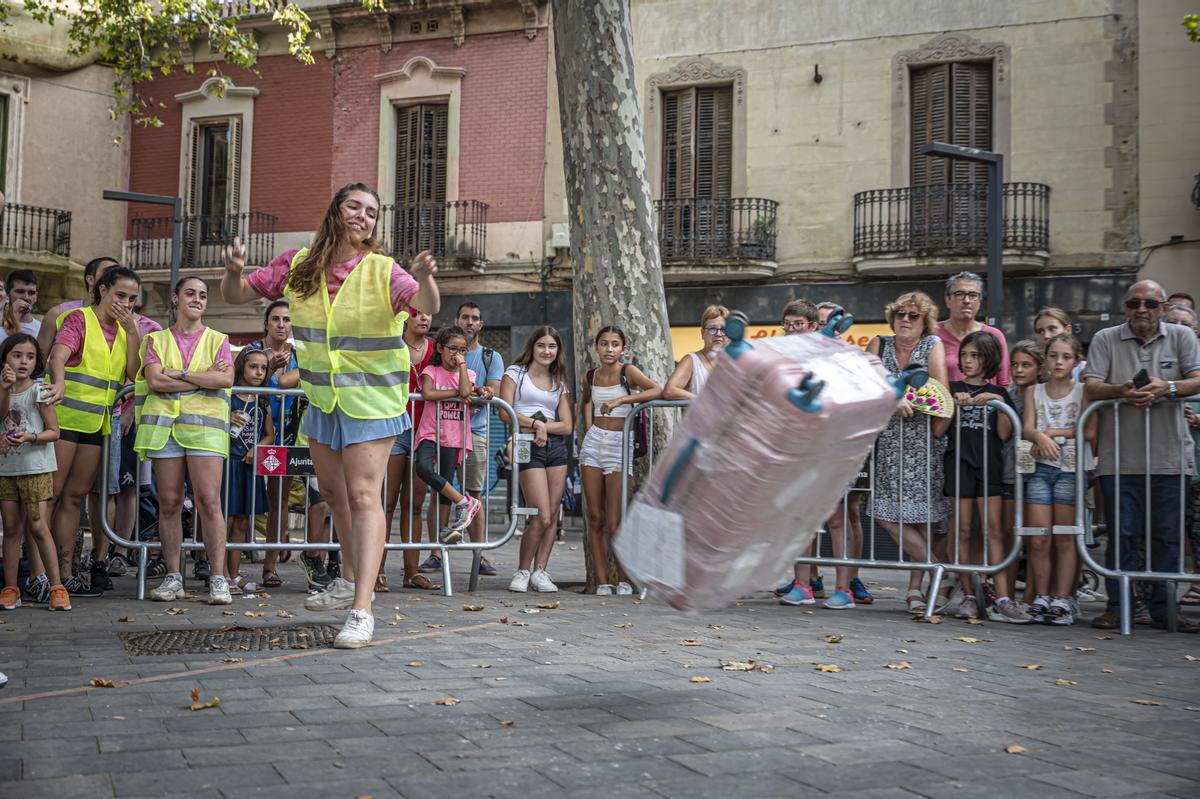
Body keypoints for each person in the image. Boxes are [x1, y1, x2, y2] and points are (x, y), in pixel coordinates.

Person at [222, 182, 439, 649]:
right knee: (333, 494)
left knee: (363, 496)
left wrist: (425, 277)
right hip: (322, 401)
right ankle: (346, 575)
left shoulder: (384, 269)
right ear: (336, 211)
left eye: (373, 212)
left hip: (373, 403)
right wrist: (233, 271)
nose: (364, 216)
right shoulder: (298, 264)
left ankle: (362, 608)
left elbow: (427, 306)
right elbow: (238, 294)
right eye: (355, 207)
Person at [1084, 280, 1200, 633]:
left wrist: (1169, 387)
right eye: (1134, 304)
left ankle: (1165, 607)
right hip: (1120, 457)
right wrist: (1121, 391)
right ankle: (1119, 606)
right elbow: (1091, 384)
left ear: (1162, 307)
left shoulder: (1182, 337)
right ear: (1125, 307)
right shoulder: (1106, 338)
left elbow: (1198, 378)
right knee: (1123, 535)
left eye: (1150, 304)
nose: (1142, 310)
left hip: (1170, 456)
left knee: (1167, 536)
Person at [134, 277, 235, 605]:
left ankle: (218, 578)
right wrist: (201, 378)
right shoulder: (155, 340)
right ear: (175, 299)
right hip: (166, 430)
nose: (197, 299)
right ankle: (174, 576)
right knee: (169, 503)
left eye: (203, 295)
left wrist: (178, 374)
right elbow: (154, 381)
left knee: (209, 501)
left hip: (205, 431)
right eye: (190, 293)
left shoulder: (219, 339)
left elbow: (225, 378)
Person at [45, 266, 143, 596]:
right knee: (51, 496)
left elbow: (133, 373)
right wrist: (58, 382)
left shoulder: (129, 329)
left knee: (74, 498)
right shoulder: (78, 319)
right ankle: (42, 574)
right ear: (102, 290)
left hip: (98, 425)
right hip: (62, 420)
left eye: (131, 299)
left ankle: (67, 572)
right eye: (120, 296)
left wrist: (133, 333)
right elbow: (58, 355)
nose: (125, 304)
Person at [865, 291, 951, 614]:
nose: (905, 319)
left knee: (923, 519)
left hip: (922, 441)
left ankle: (916, 591)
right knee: (886, 515)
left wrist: (935, 433)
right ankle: (939, 572)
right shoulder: (879, 344)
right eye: (900, 313)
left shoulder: (932, 346)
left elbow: (941, 396)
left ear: (924, 321)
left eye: (914, 315)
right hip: (888, 441)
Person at [944, 331, 1024, 622]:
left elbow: (1004, 434)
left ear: (988, 358)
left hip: (989, 466)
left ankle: (1003, 596)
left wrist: (994, 402)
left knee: (993, 530)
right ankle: (968, 593)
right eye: (964, 355)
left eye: (974, 355)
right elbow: (939, 427)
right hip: (959, 465)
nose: (967, 361)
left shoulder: (1000, 394)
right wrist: (955, 402)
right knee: (963, 530)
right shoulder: (952, 388)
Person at [579, 326, 660, 596]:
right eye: (604, 344)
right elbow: (587, 402)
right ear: (596, 347)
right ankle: (603, 581)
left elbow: (656, 390)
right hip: (593, 443)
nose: (609, 349)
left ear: (623, 348)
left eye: (615, 344)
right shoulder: (590, 376)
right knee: (594, 517)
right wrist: (589, 429)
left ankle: (624, 579)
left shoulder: (629, 372)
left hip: (620, 444)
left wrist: (623, 399)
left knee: (616, 520)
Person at [1023, 333, 1096, 625]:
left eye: (1066, 357)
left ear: (1076, 361)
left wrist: (1053, 433)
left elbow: (1090, 431)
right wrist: (1038, 434)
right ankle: (1042, 595)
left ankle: (1064, 598)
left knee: (1065, 537)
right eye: (1053, 356)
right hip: (1040, 469)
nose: (1059, 362)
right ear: (1045, 359)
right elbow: (1027, 428)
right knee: (1040, 538)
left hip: (1071, 469)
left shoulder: (1084, 390)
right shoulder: (1033, 391)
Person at [501, 326, 572, 593]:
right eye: (541, 345)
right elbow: (506, 413)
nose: (546, 351)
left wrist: (543, 427)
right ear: (532, 347)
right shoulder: (515, 374)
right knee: (540, 515)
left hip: (555, 448)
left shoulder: (559, 381)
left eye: (552, 346)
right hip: (524, 445)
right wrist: (535, 424)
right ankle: (522, 570)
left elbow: (566, 426)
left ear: (558, 350)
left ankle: (540, 571)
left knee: (552, 515)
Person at [0, 334, 68, 611]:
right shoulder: (2, 387)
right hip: (7, 469)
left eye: (29, 356)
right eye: (16, 355)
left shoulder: (40, 391)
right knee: (11, 528)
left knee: (38, 526)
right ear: (5, 358)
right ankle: (11, 587)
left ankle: (57, 587)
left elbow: (55, 431)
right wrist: (4, 389)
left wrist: (30, 438)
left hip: (36, 468)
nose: (23, 361)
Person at [413, 325, 485, 544]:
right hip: (430, 431)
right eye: (453, 349)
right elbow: (428, 393)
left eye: (463, 350)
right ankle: (464, 501)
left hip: (454, 435)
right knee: (423, 468)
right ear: (440, 348)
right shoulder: (431, 371)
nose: (457, 354)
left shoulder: (468, 373)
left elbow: (466, 390)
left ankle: (444, 529)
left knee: (445, 481)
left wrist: (462, 367)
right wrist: (456, 393)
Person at [246, 300, 299, 589]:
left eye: (286, 319)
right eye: (275, 319)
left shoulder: (299, 356)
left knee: (278, 498)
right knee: (240, 499)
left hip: (287, 433)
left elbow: (302, 381)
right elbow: (244, 382)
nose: (281, 324)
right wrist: (270, 371)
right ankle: (225, 566)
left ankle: (270, 566)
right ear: (266, 323)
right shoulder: (252, 351)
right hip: (252, 432)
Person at [383, 307, 436, 591]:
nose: (424, 318)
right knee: (386, 503)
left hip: (424, 431)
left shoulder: (437, 349)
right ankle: (376, 571)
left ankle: (411, 572)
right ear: (405, 318)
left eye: (426, 314)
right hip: (393, 428)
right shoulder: (391, 343)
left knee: (414, 504)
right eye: (417, 313)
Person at [455, 301, 505, 576]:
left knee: (474, 494)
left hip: (476, 433)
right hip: (442, 430)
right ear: (457, 320)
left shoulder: (490, 357)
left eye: (475, 318)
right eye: (465, 317)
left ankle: (479, 554)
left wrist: (480, 393)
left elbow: (493, 391)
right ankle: (436, 554)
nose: (470, 322)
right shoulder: (445, 353)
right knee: (440, 495)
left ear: (481, 325)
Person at [224, 348, 273, 594]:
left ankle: (234, 575)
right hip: (229, 463)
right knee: (226, 518)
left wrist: (258, 447)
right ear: (242, 366)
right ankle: (220, 573)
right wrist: (226, 420)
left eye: (263, 368)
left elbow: (270, 435)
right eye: (253, 366)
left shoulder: (262, 400)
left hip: (249, 466)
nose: (258, 372)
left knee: (242, 520)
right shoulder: (227, 397)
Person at [1005, 339, 1044, 603]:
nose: (1019, 370)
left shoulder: (1044, 393)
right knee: (1010, 538)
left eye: (1026, 365)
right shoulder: (1006, 393)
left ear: (1040, 368)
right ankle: (1005, 596)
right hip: (1009, 472)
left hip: (1038, 473)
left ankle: (1032, 596)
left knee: (1035, 539)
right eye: (1015, 364)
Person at [937, 271, 1011, 386]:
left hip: (987, 402)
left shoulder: (994, 336)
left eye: (973, 295)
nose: (966, 301)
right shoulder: (933, 335)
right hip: (945, 402)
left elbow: (1004, 383)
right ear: (948, 300)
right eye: (959, 294)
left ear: (980, 301)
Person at [663, 305, 729, 400]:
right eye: (712, 329)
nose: (718, 334)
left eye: (723, 329)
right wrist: (702, 401)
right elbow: (670, 391)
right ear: (702, 333)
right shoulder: (691, 361)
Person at [5, 270, 41, 337]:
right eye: (20, 292)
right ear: (7, 295)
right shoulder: (1, 323)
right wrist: (13, 314)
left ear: (36, 297)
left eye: (31, 293)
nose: (26, 297)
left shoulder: (41, 328)